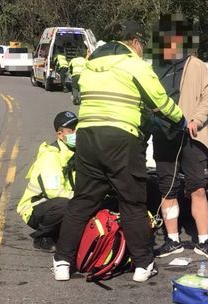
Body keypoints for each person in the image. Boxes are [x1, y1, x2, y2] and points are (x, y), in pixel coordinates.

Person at [52, 20, 185, 282]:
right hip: (122, 140)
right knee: (132, 203)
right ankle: (143, 264)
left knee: (83, 202)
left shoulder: (90, 65)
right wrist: (179, 118)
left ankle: (62, 262)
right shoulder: (134, 64)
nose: (142, 51)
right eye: (141, 46)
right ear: (134, 42)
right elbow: (159, 99)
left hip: (88, 137)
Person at [151, 14, 208, 261]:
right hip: (163, 135)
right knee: (167, 189)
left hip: (192, 137)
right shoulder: (153, 66)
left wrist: (197, 120)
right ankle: (173, 241)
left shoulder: (197, 66)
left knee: (198, 189)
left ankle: (203, 241)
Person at [17, 111, 78, 252]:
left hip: (59, 201)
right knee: (65, 205)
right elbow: (53, 191)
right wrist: (81, 196)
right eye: (71, 130)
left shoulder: (77, 152)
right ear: (60, 135)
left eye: (77, 129)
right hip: (36, 207)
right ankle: (42, 237)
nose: (75, 133)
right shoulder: (51, 156)